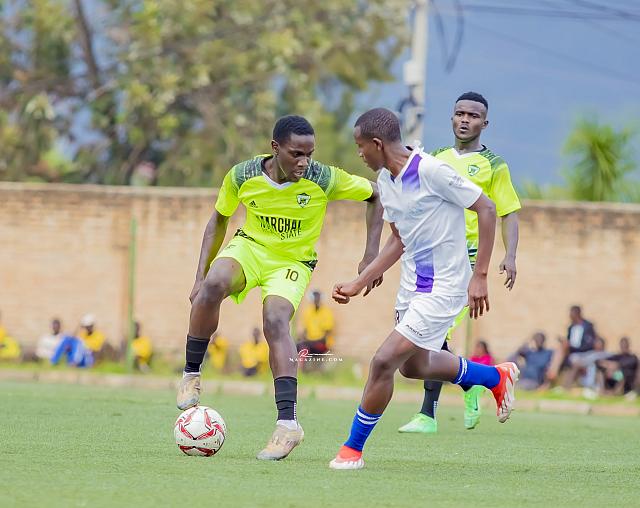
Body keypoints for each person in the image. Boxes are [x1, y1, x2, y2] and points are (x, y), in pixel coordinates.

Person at [176, 115, 384, 461]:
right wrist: (198, 278)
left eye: (309, 154)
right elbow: (219, 220)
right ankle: (191, 374)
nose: (304, 162)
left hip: (293, 261)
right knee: (212, 285)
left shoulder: (324, 178)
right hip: (250, 248)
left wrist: (371, 255)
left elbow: (376, 194)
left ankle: (288, 426)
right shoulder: (242, 175)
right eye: (296, 154)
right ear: (275, 148)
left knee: (275, 320)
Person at [329, 108, 519, 470]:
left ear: (376, 144)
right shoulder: (386, 181)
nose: (359, 154)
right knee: (414, 367)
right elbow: (398, 240)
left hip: (445, 286)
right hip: (412, 287)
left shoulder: (432, 170)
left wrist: (479, 276)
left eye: (360, 146)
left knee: (383, 360)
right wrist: (359, 282)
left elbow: (487, 208)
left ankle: (352, 449)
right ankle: (494, 377)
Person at [399, 92, 521, 434]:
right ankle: (472, 383)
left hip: (466, 258)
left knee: (433, 331)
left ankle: (428, 414)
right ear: (452, 117)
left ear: (485, 123)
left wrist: (510, 255)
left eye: (473, 115)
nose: (465, 119)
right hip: (432, 254)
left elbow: (508, 212)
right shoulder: (436, 157)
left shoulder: (494, 165)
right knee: (425, 331)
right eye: (460, 113)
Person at [297, 289, 335, 354]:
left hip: (322, 343)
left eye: (318, 297)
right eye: (315, 297)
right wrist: (302, 338)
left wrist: (313, 341)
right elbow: (305, 329)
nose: (316, 299)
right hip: (310, 342)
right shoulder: (308, 311)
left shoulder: (326, 312)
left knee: (309, 347)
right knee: (299, 345)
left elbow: (327, 332)